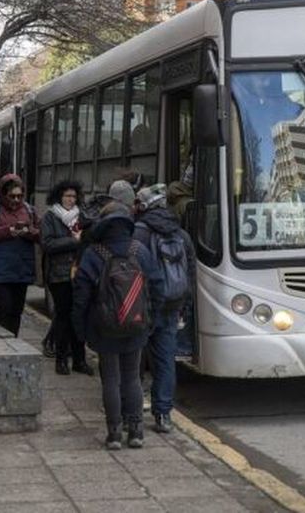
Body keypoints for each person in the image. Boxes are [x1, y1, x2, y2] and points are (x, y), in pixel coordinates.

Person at [72, 203, 165, 450]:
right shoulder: (140, 251)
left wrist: (79, 329)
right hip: (136, 327)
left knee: (111, 380)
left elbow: (80, 295)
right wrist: (151, 320)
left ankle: (114, 434)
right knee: (132, 378)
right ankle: (136, 432)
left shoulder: (94, 253)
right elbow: (158, 287)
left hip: (104, 327)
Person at [133, 183, 196, 434]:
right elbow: (190, 273)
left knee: (134, 359)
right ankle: (163, 415)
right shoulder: (180, 234)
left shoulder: (138, 233)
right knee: (166, 360)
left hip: (143, 306)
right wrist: (184, 306)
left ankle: (134, 410)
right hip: (171, 305)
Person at [40, 180, 93, 376]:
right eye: (67, 196)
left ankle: (79, 359)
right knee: (63, 316)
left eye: (73, 196)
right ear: (59, 197)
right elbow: (47, 244)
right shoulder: (50, 217)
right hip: (59, 274)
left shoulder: (83, 216)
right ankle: (61, 359)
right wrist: (73, 241)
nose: (71, 200)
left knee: (79, 316)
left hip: (80, 272)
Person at [0, 174, 39, 337]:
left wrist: (29, 232)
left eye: (19, 196)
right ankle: (1, 342)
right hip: (0, 270)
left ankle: (14, 340)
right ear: (3, 194)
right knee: (3, 310)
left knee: (16, 311)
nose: (16, 200)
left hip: (22, 269)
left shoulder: (29, 210)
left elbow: (40, 235)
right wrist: (8, 231)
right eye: (12, 196)